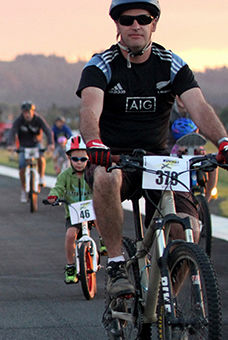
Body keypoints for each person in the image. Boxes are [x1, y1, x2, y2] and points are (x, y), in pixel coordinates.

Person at [77, 0, 228, 297]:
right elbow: (89, 110)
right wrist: (94, 143)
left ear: (154, 24)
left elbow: (199, 106)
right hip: (115, 157)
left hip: (159, 162)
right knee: (107, 177)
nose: (136, 25)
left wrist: (223, 141)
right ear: (117, 25)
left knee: (188, 230)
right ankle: (118, 265)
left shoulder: (171, 64)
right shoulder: (101, 65)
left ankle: (165, 302)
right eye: (127, 19)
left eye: (143, 19)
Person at [46, 136, 95, 284]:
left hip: (93, 211)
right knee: (70, 236)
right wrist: (53, 196)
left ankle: (104, 243)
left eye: (83, 159)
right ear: (68, 157)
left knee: (102, 223)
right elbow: (58, 187)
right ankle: (70, 266)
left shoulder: (92, 173)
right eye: (75, 159)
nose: (79, 163)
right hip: (73, 214)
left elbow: (101, 185)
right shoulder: (65, 176)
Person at [8, 101, 54, 203]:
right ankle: (24, 189)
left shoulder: (38, 120)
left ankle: (41, 176)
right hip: (23, 145)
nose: (27, 115)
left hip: (35, 143)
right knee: (22, 167)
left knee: (41, 157)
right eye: (24, 112)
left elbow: (47, 130)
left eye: (28, 112)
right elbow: (12, 132)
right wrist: (11, 145)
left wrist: (50, 143)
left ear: (32, 112)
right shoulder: (19, 121)